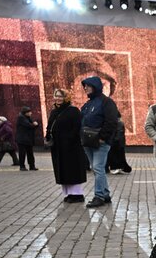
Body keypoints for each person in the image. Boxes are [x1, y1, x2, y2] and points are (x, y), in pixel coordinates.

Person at [80, 76, 119, 208]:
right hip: (88, 141)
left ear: (95, 86)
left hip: (100, 142)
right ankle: (105, 194)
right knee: (97, 169)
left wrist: (103, 137)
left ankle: (99, 196)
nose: (85, 88)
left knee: (97, 168)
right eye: (84, 86)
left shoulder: (106, 102)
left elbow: (112, 121)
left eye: (88, 85)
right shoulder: (88, 104)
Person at [46, 88, 87, 203]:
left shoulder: (73, 111)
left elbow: (77, 127)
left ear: (66, 98)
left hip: (71, 147)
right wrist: (48, 136)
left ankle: (77, 195)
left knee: (72, 169)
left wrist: (69, 139)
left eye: (61, 96)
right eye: (56, 96)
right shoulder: (54, 111)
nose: (58, 98)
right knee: (62, 170)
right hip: (58, 147)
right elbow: (50, 126)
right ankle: (69, 193)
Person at [15, 106, 39, 171]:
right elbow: (29, 125)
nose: (31, 113)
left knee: (30, 153)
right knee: (22, 153)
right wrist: (34, 125)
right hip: (22, 139)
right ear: (26, 113)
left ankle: (32, 166)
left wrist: (35, 125)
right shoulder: (21, 118)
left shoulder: (28, 118)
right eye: (29, 112)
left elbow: (32, 126)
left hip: (28, 139)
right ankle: (22, 166)